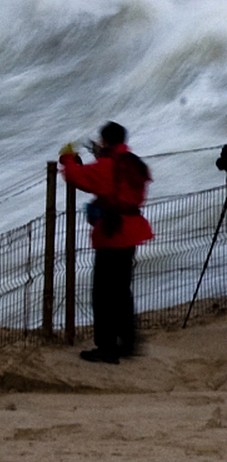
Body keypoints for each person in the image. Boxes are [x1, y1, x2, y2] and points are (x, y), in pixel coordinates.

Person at [59, 121, 154, 362]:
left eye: (101, 140)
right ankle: (128, 342)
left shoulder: (108, 165)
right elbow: (116, 186)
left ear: (106, 141)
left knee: (103, 294)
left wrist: (67, 159)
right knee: (121, 291)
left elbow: (77, 177)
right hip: (132, 231)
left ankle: (107, 348)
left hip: (112, 234)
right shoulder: (133, 162)